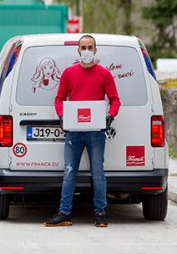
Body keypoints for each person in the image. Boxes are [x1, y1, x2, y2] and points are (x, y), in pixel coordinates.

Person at [44, 34, 120, 228]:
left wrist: (110, 115)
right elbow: (59, 98)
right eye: (83, 47)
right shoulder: (69, 73)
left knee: (98, 173)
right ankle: (64, 213)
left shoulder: (104, 74)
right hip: (74, 131)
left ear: (95, 50)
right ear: (78, 50)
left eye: (90, 47)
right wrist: (62, 116)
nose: (87, 51)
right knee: (69, 173)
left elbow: (115, 99)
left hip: (96, 131)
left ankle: (101, 213)